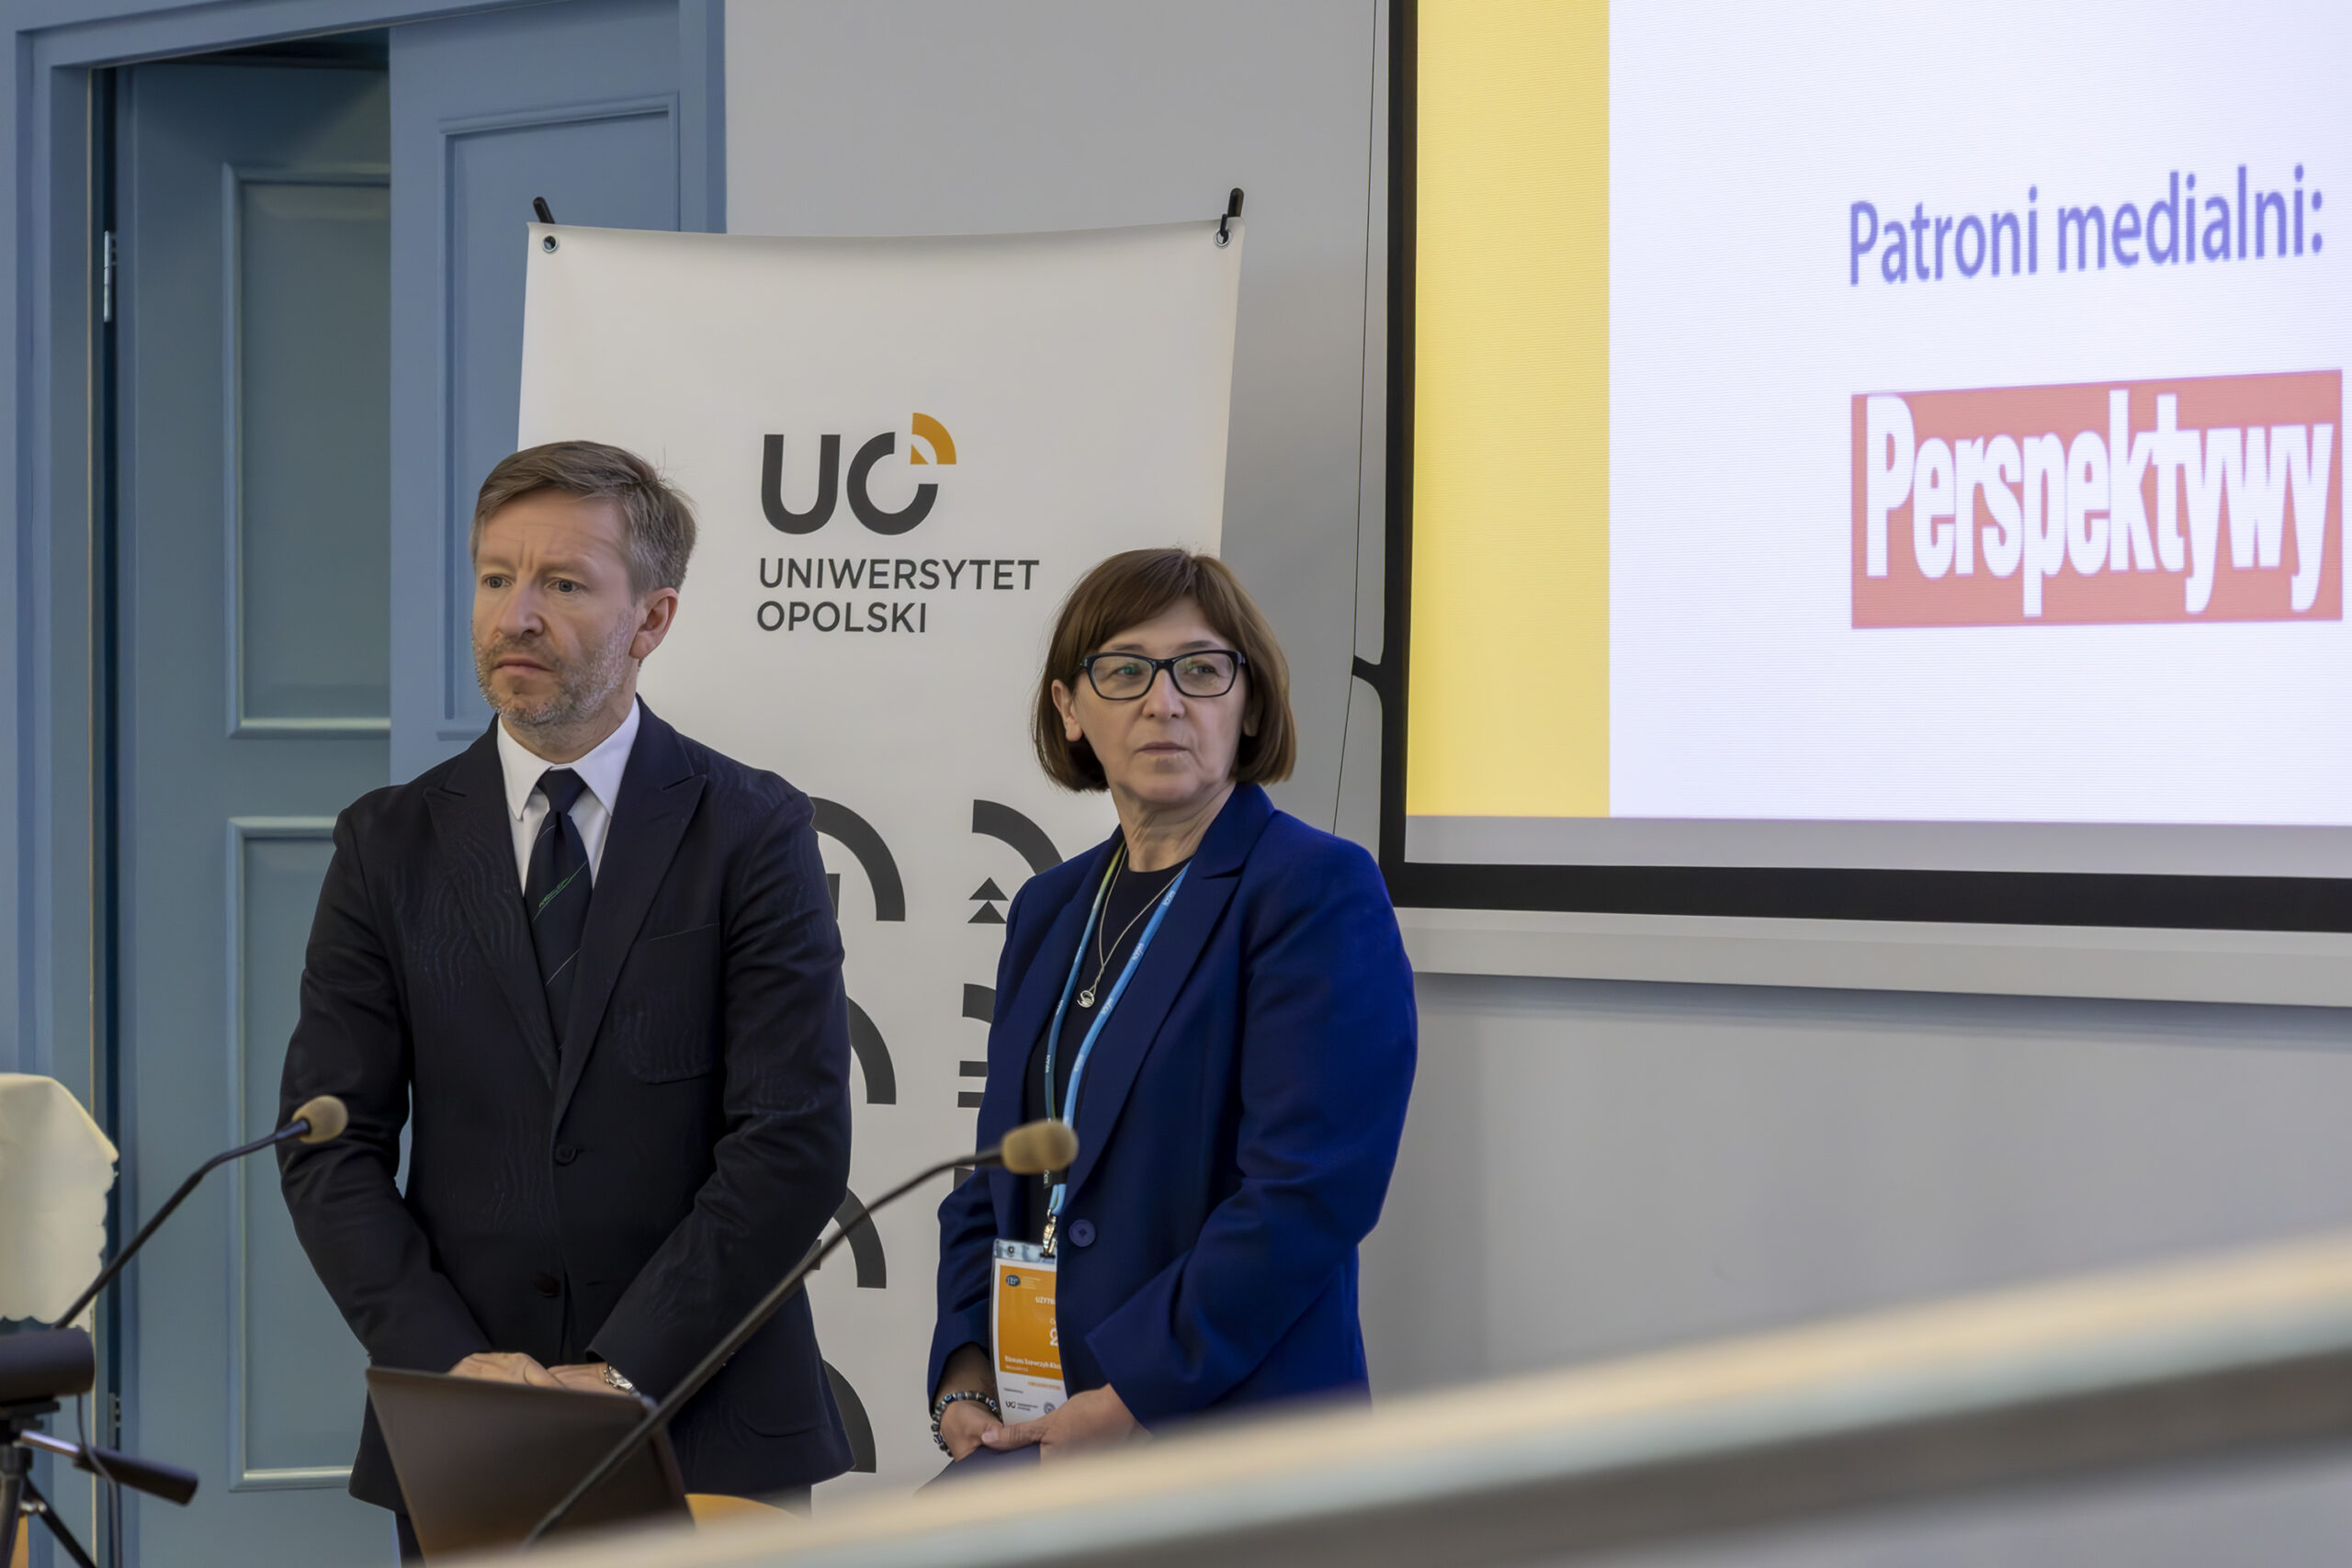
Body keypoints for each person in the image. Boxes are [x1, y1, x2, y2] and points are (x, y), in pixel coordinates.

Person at [277, 442, 854, 1553]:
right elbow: (327, 1146)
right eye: (496, 578)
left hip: (709, 1425)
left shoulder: (753, 830)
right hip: (469, 1432)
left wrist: (622, 1369)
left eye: (564, 584)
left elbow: (791, 1140)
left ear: (652, 620)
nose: (517, 617)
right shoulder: (385, 844)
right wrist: (453, 1365)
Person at [927, 547, 1417, 1466]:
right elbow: (995, 1169)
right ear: (1070, 709)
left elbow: (1304, 1197)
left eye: (1200, 670)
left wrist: (1133, 1394)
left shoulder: (1313, 889)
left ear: (1249, 703)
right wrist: (963, 1364)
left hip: (1226, 1437)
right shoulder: (1047, 908)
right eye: (1124, 672)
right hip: (1040, 1422)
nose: (1164, 702)